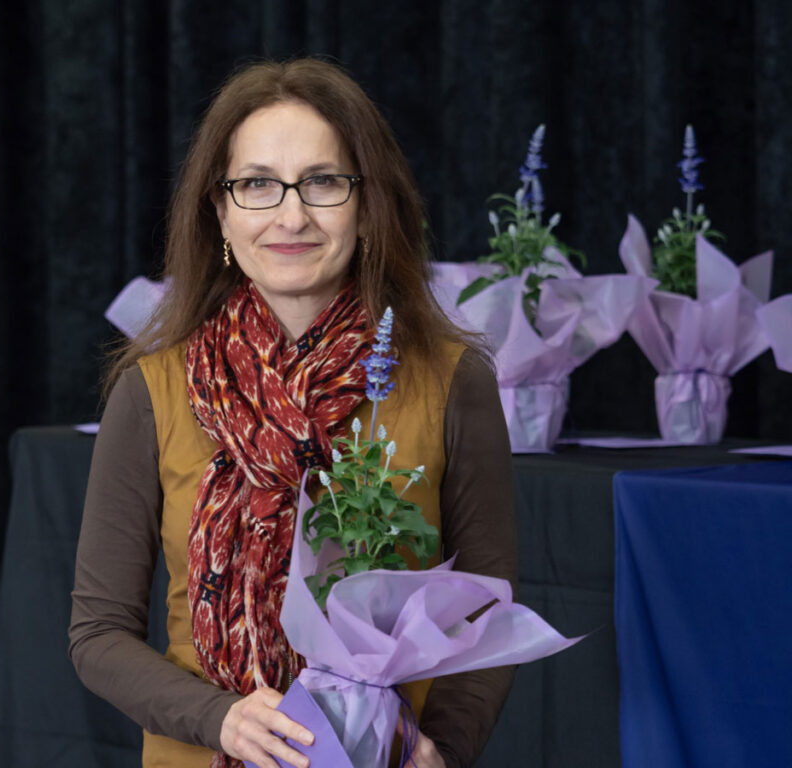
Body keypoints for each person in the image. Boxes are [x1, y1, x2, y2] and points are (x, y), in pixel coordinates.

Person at [69, 57, 517, 768]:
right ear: (219, 210)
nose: (291, 215)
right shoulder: (151, 389)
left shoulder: (453, 381)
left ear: (368, 205)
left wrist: (444, 751)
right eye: (256, 185)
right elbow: (97, 635)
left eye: (323, 182)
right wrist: (222, 721)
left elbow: (489, 607)